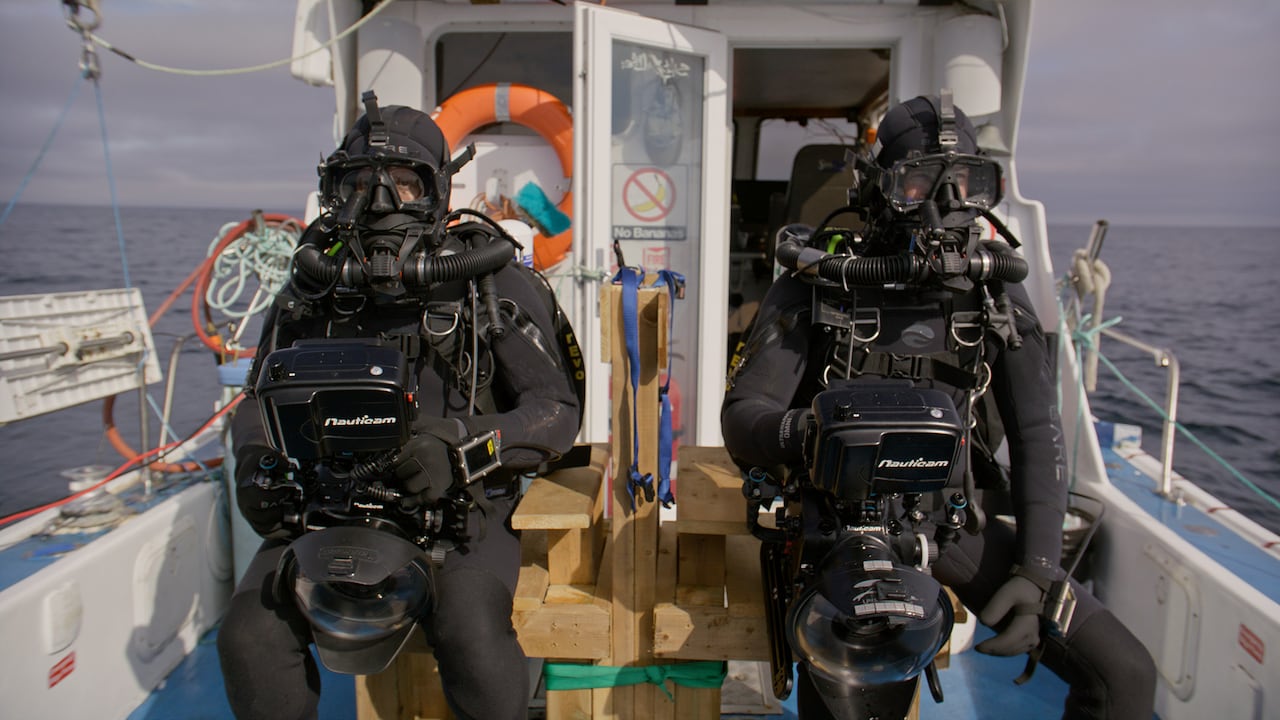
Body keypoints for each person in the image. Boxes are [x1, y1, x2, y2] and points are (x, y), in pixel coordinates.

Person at [721, 94, 1156, 719]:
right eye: (918, 180)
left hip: (950, 524)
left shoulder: (995, 294)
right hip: (841, 529)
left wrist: (1036, 573)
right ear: (878, 188)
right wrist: (808, 432)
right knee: (864, 693)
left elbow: (1038, 434)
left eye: (967, 184)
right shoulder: (824, 279)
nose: (944, 203)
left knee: (1124, 675)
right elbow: (743, 417)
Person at [217, 94, 581, 720]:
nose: (380, 201)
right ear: (334, 191)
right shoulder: (312, 288)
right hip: (326, 504)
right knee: (248, 635)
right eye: (359, 184)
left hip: (456, 506)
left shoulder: (487, 281)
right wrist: (255, 463)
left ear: (438, 191)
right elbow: (256, 398)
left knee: (469, 631)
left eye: (405, 183)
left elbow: (555, 410)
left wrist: (460, 447)